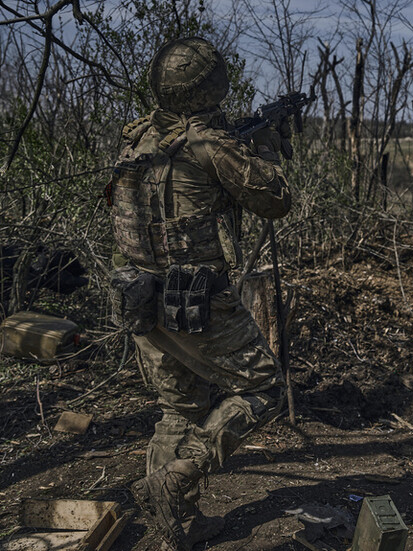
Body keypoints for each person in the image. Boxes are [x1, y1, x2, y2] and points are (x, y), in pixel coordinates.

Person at [106, 37, 291, 550]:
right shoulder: (209, 145)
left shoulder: (134, 140)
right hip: (197, 301)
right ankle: (179, 478)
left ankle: (174, 533)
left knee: (177, 409)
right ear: (213, 85)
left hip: (140, 295)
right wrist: (270, 146)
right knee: (263, 389)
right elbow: (276, 201)